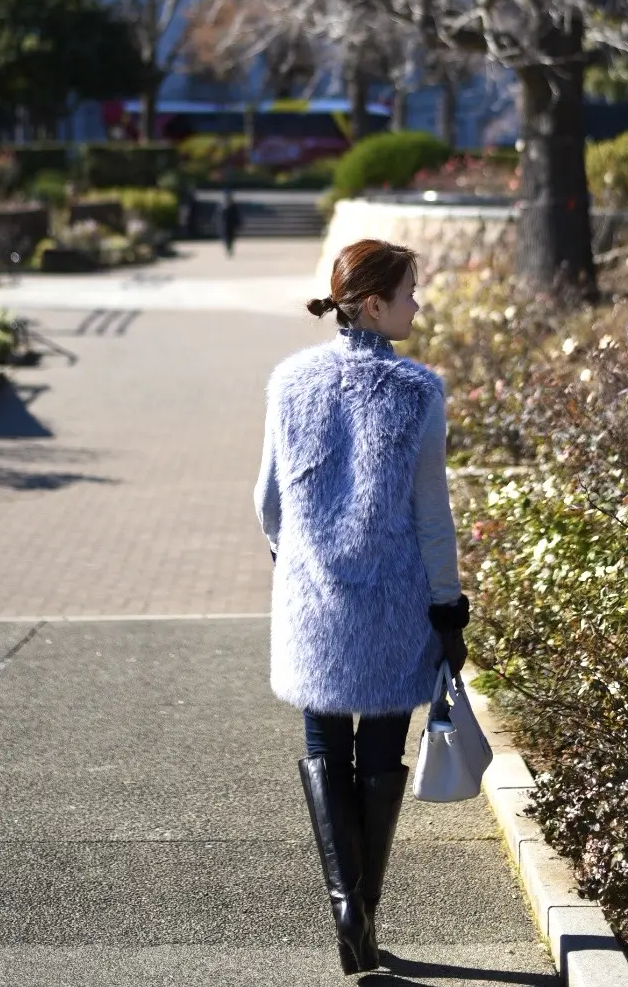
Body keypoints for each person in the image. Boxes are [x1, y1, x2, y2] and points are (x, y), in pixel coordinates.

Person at [254, 238, 469, 975]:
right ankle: (361, 910)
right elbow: (432, 516)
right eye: (411, 291)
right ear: (373, 303)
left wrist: (299, 561)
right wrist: (448, 608)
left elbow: (268, 503)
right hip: (394, 604)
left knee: (324, 747)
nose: (419, 304)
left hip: (314, 604)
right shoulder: (418, 393)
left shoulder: (289, 382)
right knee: (380, 754)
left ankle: (347, 907)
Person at [219, 189, 240, 256]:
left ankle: (230, 248)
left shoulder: (233, 205)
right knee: (226, 237)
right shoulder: (222, 205)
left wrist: (238, 223)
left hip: (231, 224)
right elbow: (219, 215)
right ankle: (228, 248)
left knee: (231, 238)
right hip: (225, 224)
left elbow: (236, 215)